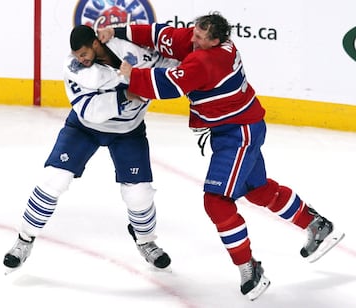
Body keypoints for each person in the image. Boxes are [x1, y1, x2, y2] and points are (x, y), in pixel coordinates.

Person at [97, 12, 345, 300]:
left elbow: (169, 85)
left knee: (216, 201)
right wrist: (115, 31)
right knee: (257, 190)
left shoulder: (209, 60)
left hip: (238, 134)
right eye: (194, 33)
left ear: (216, 41)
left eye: (201, 38)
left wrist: (132, 75)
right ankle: (316, 224)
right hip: (238, 127)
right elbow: (159, 35)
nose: (194, 39)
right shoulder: (199, 44)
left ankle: (249, 268)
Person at [3, 24, 177, 273]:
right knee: (54, 178)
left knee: (139, 194)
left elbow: (171, 67)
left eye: (83, 54)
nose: (80, 60)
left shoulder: (136, 53)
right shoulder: (74, 69)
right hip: (84, 127)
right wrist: (127, 94)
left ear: (96, 44)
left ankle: (146, 241)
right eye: (76, 56)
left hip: (128, 131)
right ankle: (24, 239)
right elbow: (90, 111)